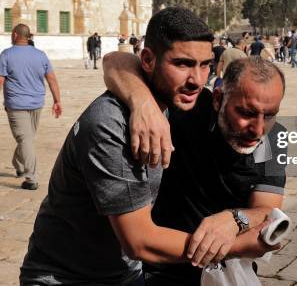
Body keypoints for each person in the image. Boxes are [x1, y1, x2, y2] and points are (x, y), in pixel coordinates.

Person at [20, 8, 273, 285]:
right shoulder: (110, 125)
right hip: (68, 277)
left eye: (205, 65)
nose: (197, 80)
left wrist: (234, 221)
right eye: (183, 64)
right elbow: (139, 242)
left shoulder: (175, 102)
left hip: (126, 276)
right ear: (149, 60)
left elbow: (268, 205)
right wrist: (236, 246)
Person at [103, 55, 287, 285]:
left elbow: (267, 208)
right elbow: (115, 61)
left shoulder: (276, 136)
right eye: (246, 113)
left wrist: (234, 219)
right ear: (219, 99)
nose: (258, 129)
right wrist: (143, 104)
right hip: (160, 269)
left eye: (269, 114)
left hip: (224, 273)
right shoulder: (190, 108)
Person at [0, 24, 62, 190]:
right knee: (26, 138)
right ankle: (26, 171)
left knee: (25, 139)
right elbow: (51, 79)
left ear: (15, 35)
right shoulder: (40, 55)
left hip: (16, 103)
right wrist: (57, 100)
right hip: (36, 103)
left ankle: (28, 175)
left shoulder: (7, 54)